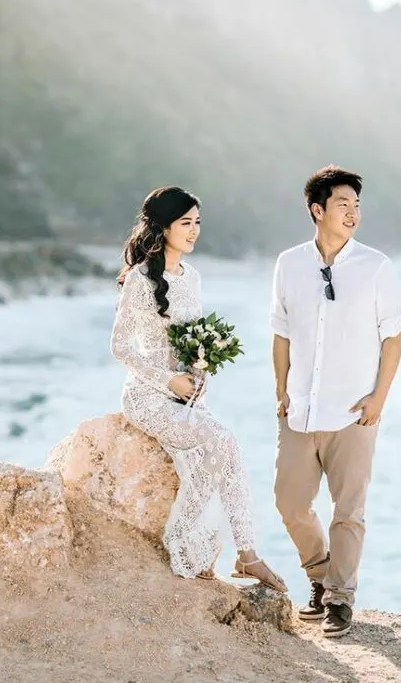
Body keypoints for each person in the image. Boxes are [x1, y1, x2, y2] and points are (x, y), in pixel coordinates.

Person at [111, 185, 287, 590]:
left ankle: (245, 555)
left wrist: (197, 374)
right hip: (146, 396)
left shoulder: (192, 277)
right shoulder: (140, 280)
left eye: (197, 223)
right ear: (163, 227)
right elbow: (119, 346)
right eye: (185, 223)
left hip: (185, 396)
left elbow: (192, 341)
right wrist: (168, 378)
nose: (194, 231)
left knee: (226, 454)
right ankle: (207, 544)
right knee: (223, 441)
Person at [271, 166, 401, 637]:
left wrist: (378, 399)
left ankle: (340, 600)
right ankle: (320, 575)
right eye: (342, 205)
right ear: (317, 210)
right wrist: (281, 390)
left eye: (357, 206)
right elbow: (281, 333)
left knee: (348, 510)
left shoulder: (376, 267)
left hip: (354, 413)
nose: (352, 214)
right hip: (300, 411)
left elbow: (394, 337)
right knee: (289, 502)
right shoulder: (289, 264)